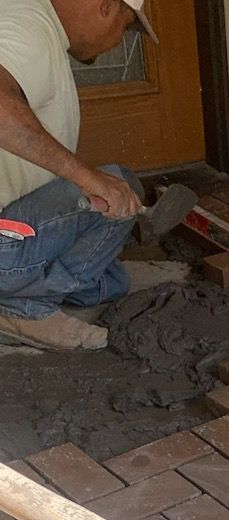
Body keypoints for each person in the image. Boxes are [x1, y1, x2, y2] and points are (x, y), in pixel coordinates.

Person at [0, 0, 157, 352]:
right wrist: (87, 177)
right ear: (106, 7)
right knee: (120, 189)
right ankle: (20, 307)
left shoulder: (29, 20)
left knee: (110, 283)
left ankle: (22, 285)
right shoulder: (28, 29)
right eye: (126, 27)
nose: (119, 40)